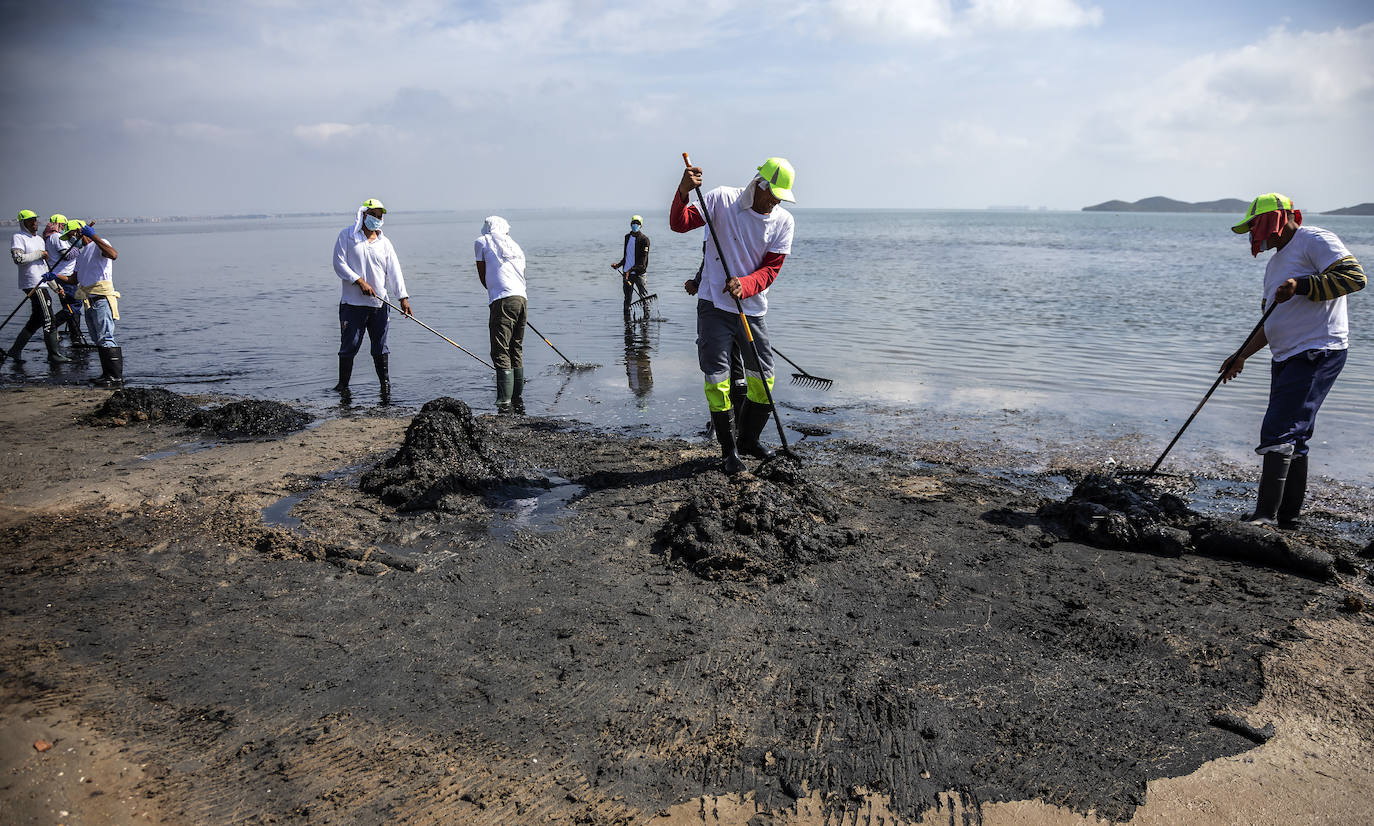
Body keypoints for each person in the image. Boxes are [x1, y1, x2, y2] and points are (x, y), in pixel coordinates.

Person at [1220, 193, 1365, 527]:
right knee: (1295, 434)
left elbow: (1355, 278)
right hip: (1287, 354)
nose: (1257, 236)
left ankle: (1265, 516)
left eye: (1257, 226)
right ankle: (1287, 517)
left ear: (1277, 219)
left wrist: (1300, 285)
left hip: (1317, 349)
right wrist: (1241, 355)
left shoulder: (1314, 239)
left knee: (1279, 429)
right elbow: (1272, 322)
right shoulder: (1275, 265)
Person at [670, 157, 795, 474]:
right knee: (718, 380)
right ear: (759, 185)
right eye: (773, 194)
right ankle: (729, 453)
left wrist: (746, 284)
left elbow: (771, 269)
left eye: (781, 197)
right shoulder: (721, 199)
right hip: (713, 305)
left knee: (763, 380)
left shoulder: (783, 222)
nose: (775, 202)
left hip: (751, 309)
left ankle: (749, 440)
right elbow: (680, 222)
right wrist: (683, 191)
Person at [332, 198, 411, 401]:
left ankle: (385, 386)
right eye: (373, 215)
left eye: (380, 216)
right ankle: (343, 387)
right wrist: (359, 281)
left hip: (379, 305)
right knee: (350, 345)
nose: (377, 219)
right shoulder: (348, 236)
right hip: (352, 305)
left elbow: (394, 272)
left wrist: (402, 298)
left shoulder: (384, 243)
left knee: (380, 346)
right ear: (363, 215)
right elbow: (339, 264)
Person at [47, 220, 122, 386]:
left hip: (102, 298)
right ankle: (107, 374)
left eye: (72, 235)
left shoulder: (99, 245)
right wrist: (55, 276)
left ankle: (115, 377)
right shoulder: (81, 255)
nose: (71, 239)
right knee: (97, 338)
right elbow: (74, 280)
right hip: (89, 300)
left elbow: (113, 254)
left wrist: (93, 236)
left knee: (106, 337)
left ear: (80, 232)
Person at [2, 208, 70, 365]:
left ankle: (15, 351)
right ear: (23, 223)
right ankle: (54, 354)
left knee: (36, 319)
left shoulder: (39, 239)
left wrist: (55, 287)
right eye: (30, 220)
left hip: (43, 282)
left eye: (35, 220)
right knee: (48, 317)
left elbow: (44, 266)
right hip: (32, 283)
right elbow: (18, 259)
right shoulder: (18, 237)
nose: (34, 223)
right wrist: (39, 254)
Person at [474, 216, 527, 414]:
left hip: (503, 300)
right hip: (521, 299)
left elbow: (483, 275)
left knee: (500, 350)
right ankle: (518, 399)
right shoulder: (515, 245)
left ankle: (504, 403)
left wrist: (496, 298)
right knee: (516, 347)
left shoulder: (482, 242)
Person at [44, 213, 90, 347]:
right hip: (65, 276)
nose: (64, 229)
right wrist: (79, 248)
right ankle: (52, 327)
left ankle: (75, 335)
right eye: (63, 225)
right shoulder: (56, 237)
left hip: (69, 275)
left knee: (71, 306)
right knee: (75, 305)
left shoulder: (51, 237)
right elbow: (67, 255)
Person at [611, 215, 651, 312]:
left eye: (637, 223)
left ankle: (647, 319)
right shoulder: (627, 237)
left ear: (641, 226)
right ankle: (627, 321)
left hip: (639, 274)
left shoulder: (644, 240)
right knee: (627, 299)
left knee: (644, 298)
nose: (635, 225)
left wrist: (630, 270)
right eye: (633, 223)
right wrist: (619, 265)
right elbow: (627, 256)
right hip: (627, 274)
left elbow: (643, 262)